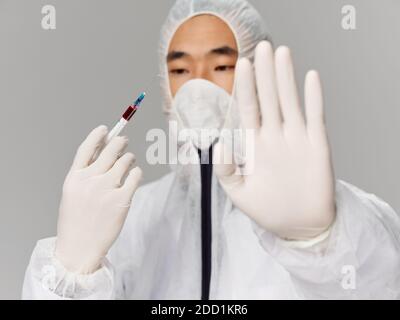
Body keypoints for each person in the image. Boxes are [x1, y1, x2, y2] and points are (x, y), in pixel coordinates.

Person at [23, 0, 400, 299]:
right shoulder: (129, 221)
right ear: (164, 83)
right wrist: (71, 273)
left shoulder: (311, 206)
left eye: (221, 66)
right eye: (181, 71)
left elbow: (382, 286)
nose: (198, 87)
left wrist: (318, 238)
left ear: (256, 69)